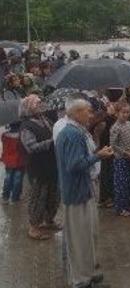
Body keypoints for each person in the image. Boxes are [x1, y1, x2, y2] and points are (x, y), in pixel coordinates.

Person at [55, 98, 114, 288]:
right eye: (88, 111)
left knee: (88, 235)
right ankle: (81, 280)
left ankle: (88, 273)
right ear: (77, 113)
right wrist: (98, 156)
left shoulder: (75, 131)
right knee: (79, 240)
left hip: (83, 190)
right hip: (76, 193)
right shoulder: (72, 134)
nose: (91, 115)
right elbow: (74, 165)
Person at [20, 95, 60, 240]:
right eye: (37, 103)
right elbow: (31, 147)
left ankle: (49, 220)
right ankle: (34, 227)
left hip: (51, 164)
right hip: (37, 167)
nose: (41, 104)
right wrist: (51, 142)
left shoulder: (45, 119)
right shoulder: (26, 126)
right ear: (29, 107)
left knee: (53, 195)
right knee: (38, 197)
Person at [109, 101, 130, 217]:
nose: (125, 114)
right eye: (123, 112)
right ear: (117, 113)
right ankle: (121, 207)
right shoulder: (115, 128)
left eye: (127, 112)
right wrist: (126, 153)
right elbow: (113, 145)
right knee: (122, 184)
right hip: (121, 160)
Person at [1, 123, 25, 204]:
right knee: (17, 179)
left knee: (8, 177)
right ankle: (15, 198)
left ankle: (5, 197)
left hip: (8, 160)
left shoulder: (4, 135)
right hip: (19, 160)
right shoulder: (22, 136)